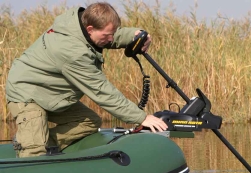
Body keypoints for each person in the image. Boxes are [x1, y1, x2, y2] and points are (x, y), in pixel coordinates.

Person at [6, 2, 168, 158]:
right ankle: (32, 146)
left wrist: (136, 34)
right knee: (34, 152)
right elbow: (102, 91)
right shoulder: (73, 52)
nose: (111, 39)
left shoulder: (79, 25)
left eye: (113, 33)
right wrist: (141, 117)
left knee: (89, 122)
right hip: (27, 92)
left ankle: (37, 141)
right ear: (90, 29)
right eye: (107, 35)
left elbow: (108, 33)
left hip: (50, 92)